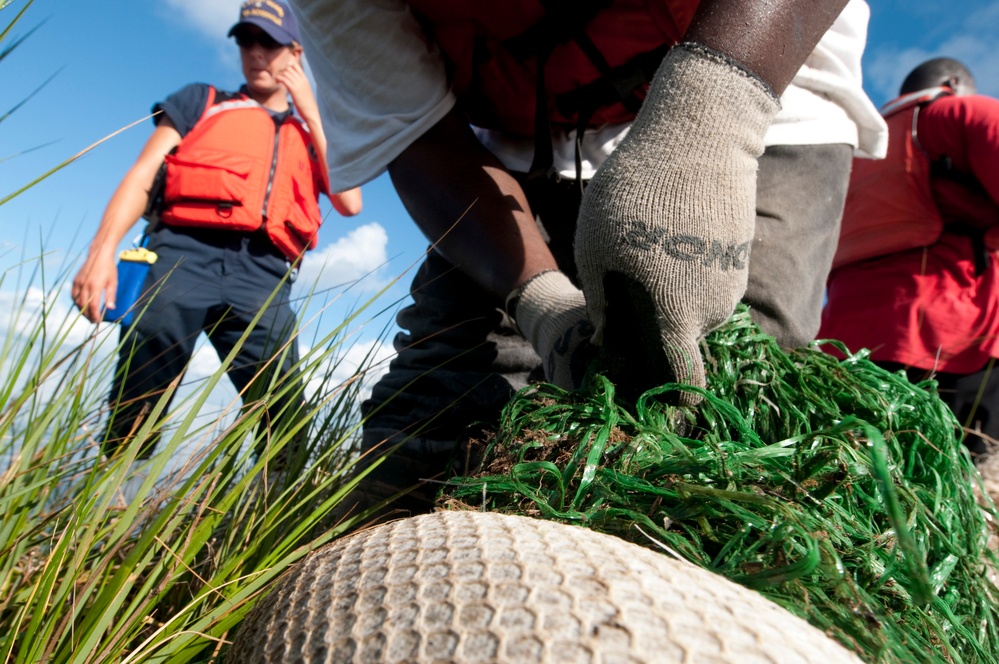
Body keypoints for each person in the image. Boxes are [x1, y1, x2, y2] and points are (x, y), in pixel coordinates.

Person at [292, 0, 887, 520]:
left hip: (771, 87)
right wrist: (543, 303)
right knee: (426, 430)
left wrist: (714, 121)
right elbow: (413, 131)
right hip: (523, 146)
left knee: (729, 412)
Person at [72, 0, 362, 460]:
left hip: (264, 275)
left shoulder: (311, 132)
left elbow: (350, 201)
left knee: (283, 417)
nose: (256, 53)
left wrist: (311, 109)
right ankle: (112, 505)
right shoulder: (201, 102)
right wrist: (100, 252)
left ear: (296, 53)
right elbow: (143, 172)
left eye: (270, 42)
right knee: (136, 404)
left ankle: (269, 511)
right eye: (247, 40)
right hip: (180, 256)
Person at [820, 58, 999, 460]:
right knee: (953, 484)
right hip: (952, 332)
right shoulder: (960, 112)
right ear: (952, 83)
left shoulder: (851, 152)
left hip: (840, 343)